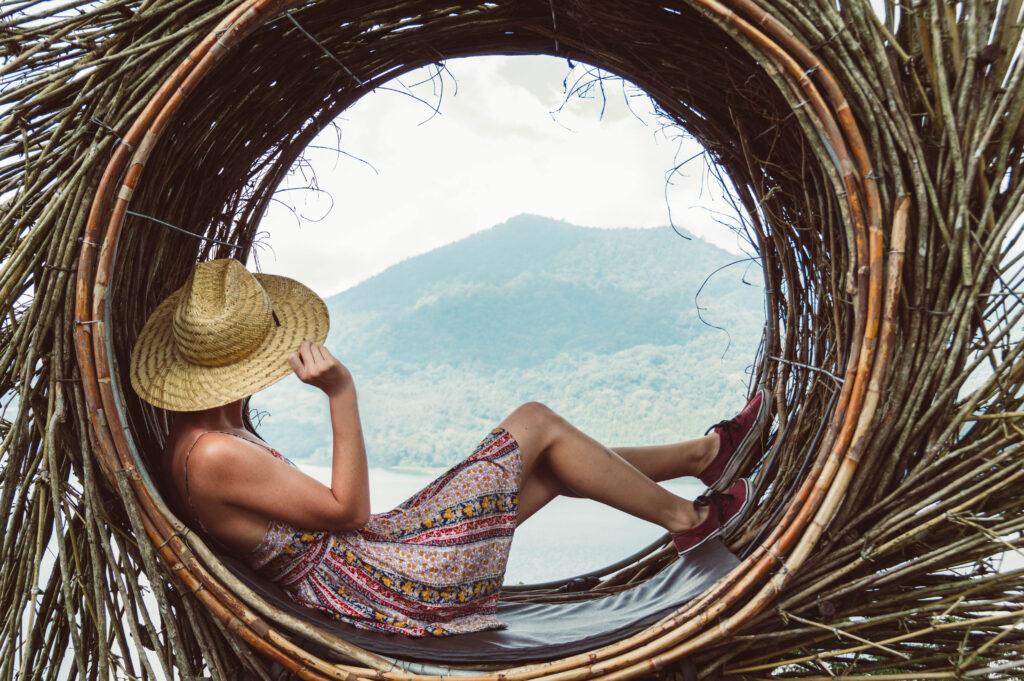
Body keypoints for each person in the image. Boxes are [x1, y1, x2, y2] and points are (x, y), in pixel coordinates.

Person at [129, 258, 772, 638]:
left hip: (374, 556)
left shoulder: (208, 435)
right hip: (384, 588)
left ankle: (702, 457)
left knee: (543, 461)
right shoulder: (214, 455)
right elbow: (348, 512)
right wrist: (341, 393)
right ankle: (688, 518)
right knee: (535, 422)